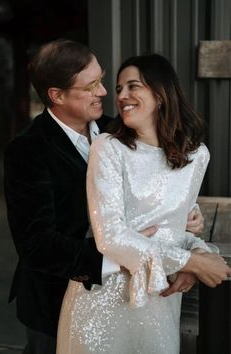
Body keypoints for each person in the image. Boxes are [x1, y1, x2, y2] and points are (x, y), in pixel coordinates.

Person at [4, 39, 203, 354]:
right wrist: (116, 254)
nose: (105, 92)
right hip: (53, 301)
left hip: (125, 301)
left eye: (101, 78)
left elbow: (155, 185)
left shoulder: (119, 128)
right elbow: (37, 245)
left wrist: (183, 212)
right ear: (56, 95)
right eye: (91, 85)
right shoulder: (27, 150)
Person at [56, 53, 231, 354]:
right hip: (103, 304)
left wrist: (197, 249)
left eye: (132, 86)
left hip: (159, 303)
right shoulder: (109, 148)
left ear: (161, 94)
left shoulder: (197, 155)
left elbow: (173, 228)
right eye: (119, 88)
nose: (121, 95)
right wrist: (193, 262)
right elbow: (110, 237)